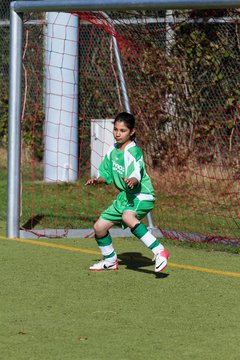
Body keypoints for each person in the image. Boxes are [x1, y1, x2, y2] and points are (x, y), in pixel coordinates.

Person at [85, 112, 169, 272]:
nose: (117, 134)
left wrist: (132, 180)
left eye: (122, 130)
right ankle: (109, 260)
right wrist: (98, 180)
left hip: (141, 195)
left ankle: (160, 251)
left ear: (132, 132)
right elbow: (106, 174)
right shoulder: (112, 149)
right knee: (99, 227)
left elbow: (137, 173)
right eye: (115, 129)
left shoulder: (133, 151)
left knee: (127, 216)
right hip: (125, 197)